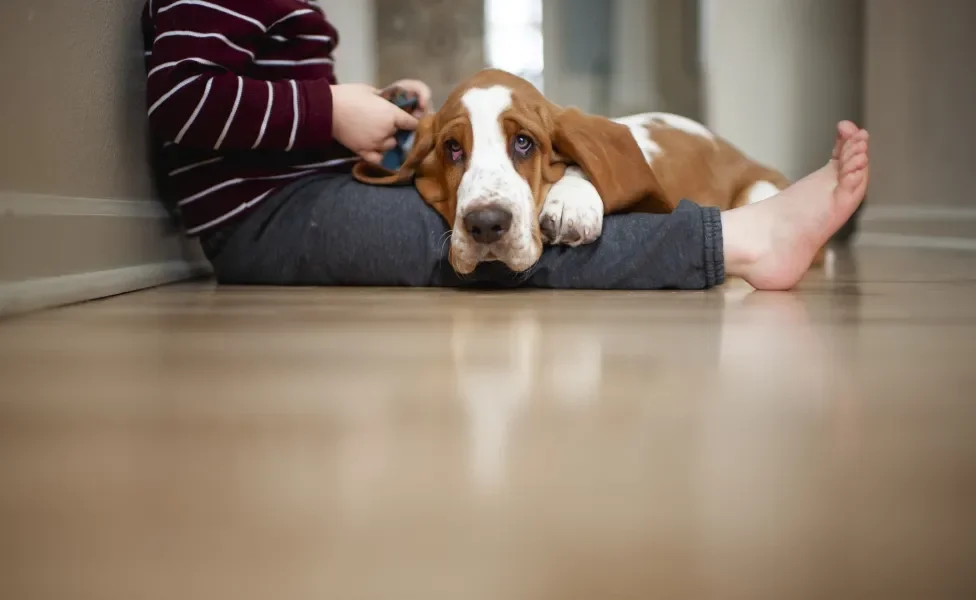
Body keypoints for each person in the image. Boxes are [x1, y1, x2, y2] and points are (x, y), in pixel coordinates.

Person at [142, 0, 869, 292]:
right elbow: (183, 100)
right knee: (510, 248)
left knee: (555, 230)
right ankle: (745, 241)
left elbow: (259, 89)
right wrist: (329, 109)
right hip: (265, 219)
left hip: (295, 194)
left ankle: (751, 219)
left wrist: (359, 103)